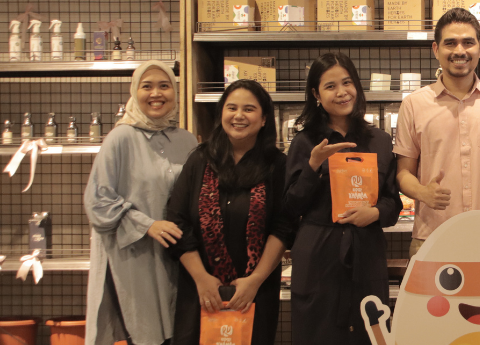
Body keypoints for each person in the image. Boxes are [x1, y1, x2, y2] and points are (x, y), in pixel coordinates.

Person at [284, 53, 402, 345]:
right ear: (316, 94)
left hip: (366, 250)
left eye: (347, 83)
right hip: (319, 253)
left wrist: (375, 213)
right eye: (330, 86)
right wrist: (313, 165)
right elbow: (290, 206)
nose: (341, 92)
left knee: (367, 329)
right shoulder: (305, 142)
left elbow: (393, 203)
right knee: (318, 333)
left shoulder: (379, 140)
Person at [166, 80, 294, 345]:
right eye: (231, 108)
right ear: (221, 113)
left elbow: (284, 226)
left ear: (264, 119)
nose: (239, 116)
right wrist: (201, 278)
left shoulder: (277, 165)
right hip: (201, 291)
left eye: (249, 109)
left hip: (254, 292)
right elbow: (177, 220)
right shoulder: (200, 160)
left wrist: (255, 280)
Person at [394, 7, 480, 256]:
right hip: (432, 238)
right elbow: (403, 172)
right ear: (436, 49)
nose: (459, 51)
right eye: (450, 43)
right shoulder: (413, 105)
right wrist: (423, 192)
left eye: (468, 42)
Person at [83, 60, 197, 345]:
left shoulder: (186, 140)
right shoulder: (120, 138)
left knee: (179, 330)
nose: (156, 93)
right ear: (135, 91)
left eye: (164, 86)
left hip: (179, 255)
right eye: (147, 86)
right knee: (146, 333)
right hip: (136, 256)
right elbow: (98, 202)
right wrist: (147, 225)